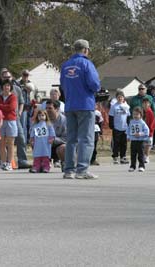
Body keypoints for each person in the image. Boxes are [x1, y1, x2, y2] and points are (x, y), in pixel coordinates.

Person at [60, 39, 101, 179]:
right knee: (86, 138)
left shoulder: (65, 65)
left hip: (70, 104)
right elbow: (95, 84)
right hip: (85, 104)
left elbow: (62, 85)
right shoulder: (86, 63)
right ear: (85, 50)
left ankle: (69, 170)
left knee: (71, 139)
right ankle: (82, 170)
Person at [0, 69, 31, 169]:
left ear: (12, 77)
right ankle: (2, 162)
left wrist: (20, 112)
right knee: (1, 142)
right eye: (5, 77)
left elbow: (21, 102)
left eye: (8, 77)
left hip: (14, 118)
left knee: (21, 139)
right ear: (1, 78)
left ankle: (22, 161)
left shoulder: (17, 89)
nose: (7, 79)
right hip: (1, 119)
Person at [0, 79, 18, 171]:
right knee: (1, 143)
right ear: (2, 87)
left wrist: (0, 106)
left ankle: (9, 163)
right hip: (1, 121)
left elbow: (11, 107)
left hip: (11, 121)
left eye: (8, 86)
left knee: (10, 143)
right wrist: (2, 106)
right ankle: (3, 162)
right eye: (5, 86)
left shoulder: (13, 97)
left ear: (10, 87)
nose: (7, 87)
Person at [109, 90, 130, 164]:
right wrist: (111, 125)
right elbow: (111, 116)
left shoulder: (126, 106)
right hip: (116, 128)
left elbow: (128, 117)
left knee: (124, 143)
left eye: (121, 97)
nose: (120, 98)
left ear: (124, 98)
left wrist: (128, 125)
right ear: (116, 98)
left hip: (124, 128)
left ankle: (123, 156)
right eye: (119, 97)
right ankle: (115, 157)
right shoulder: (114, 106)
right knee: (116, 143)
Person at [126, 107, 149, 172]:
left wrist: (140, 134)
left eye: (137, 114)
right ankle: (132, 166)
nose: (135, 116)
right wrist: (128, 137)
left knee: (140, 154)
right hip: (133, 141)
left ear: (141, 115)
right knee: (133, 154)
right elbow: (128, 130)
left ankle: (141, 166)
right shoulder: (131, 122)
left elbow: (147, 131)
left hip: (140, 141)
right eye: (134, 114)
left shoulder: (142, 123)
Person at [45, 99, 67, 168]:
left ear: (57, 109)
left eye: (50, 108)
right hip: (46, 145)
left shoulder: (64, 121)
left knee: (62, 148)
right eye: (46, 108)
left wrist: (54, 139)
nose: (47, 110)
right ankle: (44, 163)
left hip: (59, 145)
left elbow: (66, 138)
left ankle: (65, 163)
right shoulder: (43, 119)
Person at [142, 98, 155, 163]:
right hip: (142, 132)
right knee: (143, 145)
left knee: (148, 145)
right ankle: (143, 156)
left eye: (146, 103)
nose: (145, 104)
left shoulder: (150, 112)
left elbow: (152, 123)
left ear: (149, 104)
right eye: (144, 103)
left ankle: (146, 156)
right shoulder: (141, 112)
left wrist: (150, 131)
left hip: (148, 132)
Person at [147, 85, 155, 149]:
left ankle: (154, 143)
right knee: (151, 129)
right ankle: (150, 143)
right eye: (153, 89)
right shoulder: (148, 96)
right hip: (151, 115)